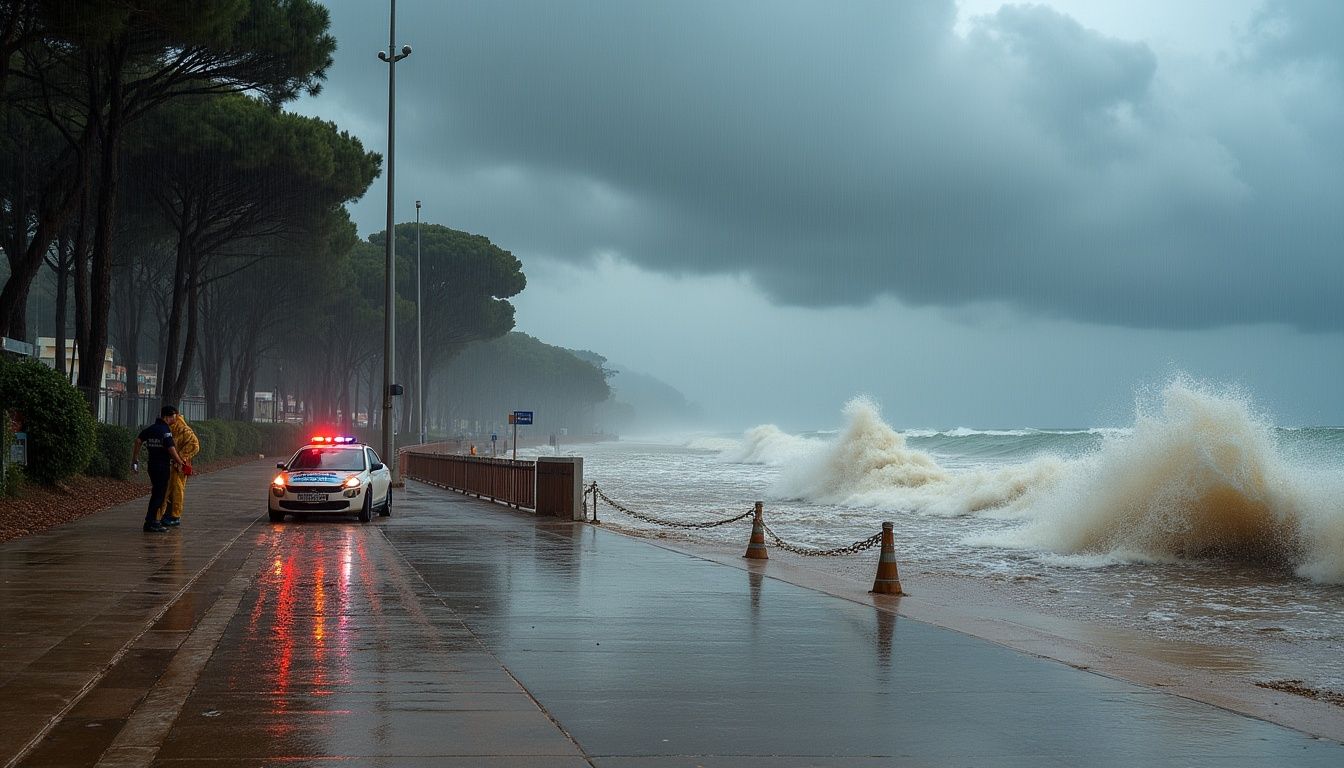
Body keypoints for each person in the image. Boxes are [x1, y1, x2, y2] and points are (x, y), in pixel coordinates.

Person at [131, 406, 187, 533]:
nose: (176, 418)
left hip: (152, 465)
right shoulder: (165, 430)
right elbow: (171, 449)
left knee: (156, 493)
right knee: (159, 495)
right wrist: (180, 462)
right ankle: (151, 523)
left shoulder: (152, 428)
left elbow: (138, 440)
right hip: (162, 466)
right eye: (175, 416)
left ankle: (151, 521)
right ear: (168, 416)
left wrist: (135, 459)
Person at [156, 412, 200, 527]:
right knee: (166, 491)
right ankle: (164, 515)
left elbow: (195, 445)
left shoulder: (183, 429)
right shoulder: (168, 428)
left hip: (178, 467)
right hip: (167, 465)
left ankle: (174, 516)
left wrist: (179, 458)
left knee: (176, 490)